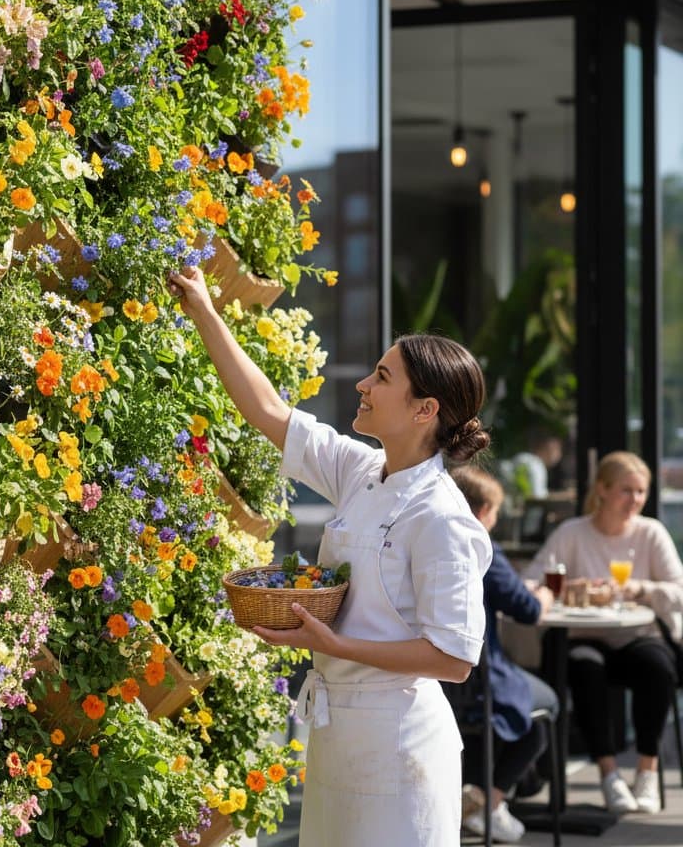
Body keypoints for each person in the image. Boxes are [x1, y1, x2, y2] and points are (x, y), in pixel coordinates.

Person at [168, 265, 493, 847]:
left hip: (400, 747)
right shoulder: (361, 470)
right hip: (339, 735)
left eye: (382, 376)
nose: (363, 384)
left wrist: (333, 645)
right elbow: (268, 411)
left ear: (425, 410)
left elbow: (453, 657)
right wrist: (204, 312)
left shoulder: (442, 517)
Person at [523, 450, 683, 815]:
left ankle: (646, 771)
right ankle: (609, 775)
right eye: (627, 490)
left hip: (635, 635)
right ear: (603, 490)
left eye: (641, 492)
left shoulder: (650, 533)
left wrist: (638, 589)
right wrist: (566, 588)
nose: (635, 500)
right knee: (585, 669)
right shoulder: (572, 533)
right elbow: (530, 581)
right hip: (583, 637)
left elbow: (679, 591)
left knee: (657, 668)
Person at [451, 464, 559, 843]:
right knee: (546, 705)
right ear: (482, 511)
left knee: (498, 711)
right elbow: (526, 610)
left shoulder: (431, 539)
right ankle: (490, 801)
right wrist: (544, 595)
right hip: (477, 674)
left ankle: (479, 797)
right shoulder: (481, 545)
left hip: (441, 678)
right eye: (496, 511)